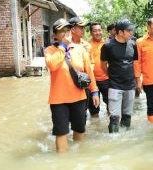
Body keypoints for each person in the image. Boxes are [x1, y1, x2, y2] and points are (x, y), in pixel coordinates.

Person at [45, 18, 99, 153]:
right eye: (62, 31)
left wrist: (94, 91)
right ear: (55, 36)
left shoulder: (80, 49)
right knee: (61, 132)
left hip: (79, 98)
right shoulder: (50, 50)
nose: (66, 33)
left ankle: (78, 159)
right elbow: (52, 65)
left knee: (80, 129)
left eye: (68, 30)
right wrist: (63, 47)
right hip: (59, 100)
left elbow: (89, 72)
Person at [101, 18, 138, 133]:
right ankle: (113, 140)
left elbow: (135, 63)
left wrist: (138, 81)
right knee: (114, 117)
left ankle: (125, 141)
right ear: (120, 32)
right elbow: (103, 65)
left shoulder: (133, 44)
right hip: (115, 86)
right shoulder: (108, 46)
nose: (132, 32)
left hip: (130, 86)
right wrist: (112, 76)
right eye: (129, 30)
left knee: (127, 115)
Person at [88, 22, 109, 117]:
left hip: (107, 79)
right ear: (91, 33)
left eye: (99, 30)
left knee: (111, 106)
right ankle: (96, 126)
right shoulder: (87, 46)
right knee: (94, 109)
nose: (97, 33)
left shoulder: (108, 44)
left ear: (102, 31)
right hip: (92, 82)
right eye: (95, 31)